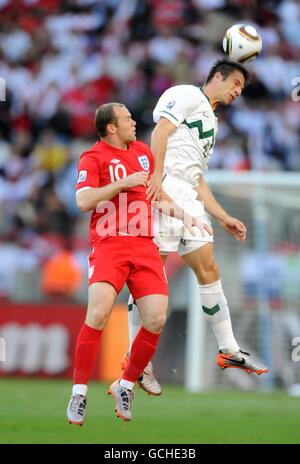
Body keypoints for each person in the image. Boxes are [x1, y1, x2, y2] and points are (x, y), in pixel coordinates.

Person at [124, 60, 269, 395]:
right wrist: (157, 178)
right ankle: (137, 358)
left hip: (188, 196)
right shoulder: (186, 94)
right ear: (216, 77)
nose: (236, 92)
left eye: (241, 89)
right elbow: (160, 130)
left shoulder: (212, 122)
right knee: (151, 276)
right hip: (165, 189)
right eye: (234, 83)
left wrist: (222, 216)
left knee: (210, 269)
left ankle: (229, 348)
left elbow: (198, 177)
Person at [66, 102, 209, 425]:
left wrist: (189, 217)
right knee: (99, 313)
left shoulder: (144, 152)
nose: (134, 121)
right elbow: (82, 201)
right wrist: (122, 183)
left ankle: (126, 384)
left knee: (157, 318)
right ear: (111, 128)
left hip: (145, 245)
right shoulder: (93, 158)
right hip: (109, 243)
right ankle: (79, 393)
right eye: (127, 118)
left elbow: (156, 194)